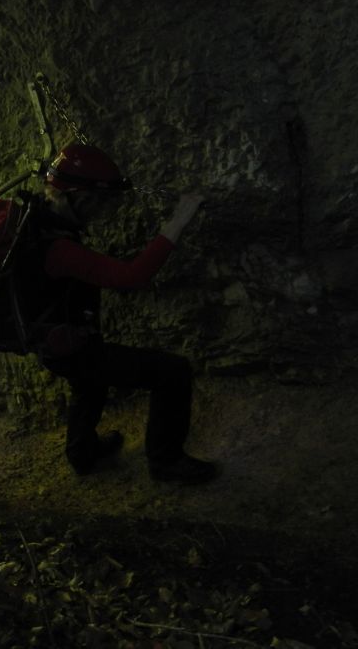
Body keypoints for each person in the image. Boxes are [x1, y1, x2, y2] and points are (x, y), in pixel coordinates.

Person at [14, 142, 217, 484]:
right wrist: (179, 219)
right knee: (171, 372)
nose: (100, 211)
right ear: (78, 197)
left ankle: (82, 454)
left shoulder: (36, 222)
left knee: (89, 384)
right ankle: (166, 462)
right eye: (97, 202)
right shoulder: (59, 248)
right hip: (69, 346)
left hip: (53, 342)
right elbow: (132, 277)